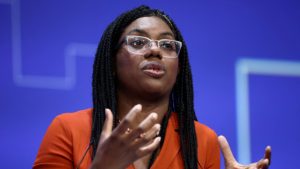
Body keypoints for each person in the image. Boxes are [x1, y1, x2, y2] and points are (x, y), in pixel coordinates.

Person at [33, 5, 271, 169]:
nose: (156, 50)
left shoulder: (200, 139)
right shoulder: (68, 130)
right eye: (138, 41)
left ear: (179, 69)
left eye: (168, 45)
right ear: (112, 63)